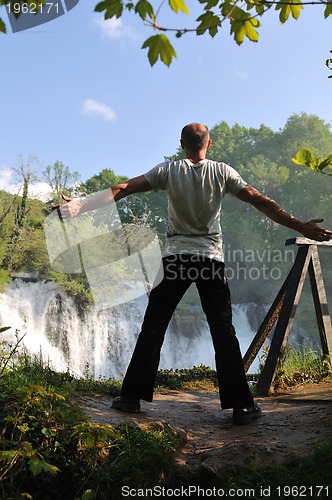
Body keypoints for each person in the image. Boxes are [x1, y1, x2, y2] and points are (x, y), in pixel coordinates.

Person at [57, 123, 332, 425]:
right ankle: (241, 405)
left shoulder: (168, 170)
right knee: (223, 331)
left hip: (175, 257)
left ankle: (130, 397)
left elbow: (124, 188)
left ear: (181, 144)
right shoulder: (223, 172)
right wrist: (300, 226)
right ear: (209, 144)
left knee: (153, 326)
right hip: (209, 259)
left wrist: (83, 205)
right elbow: (259, 200)